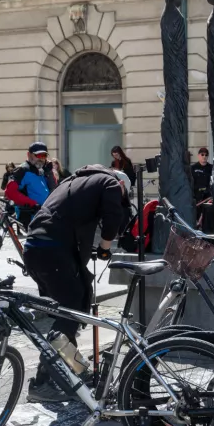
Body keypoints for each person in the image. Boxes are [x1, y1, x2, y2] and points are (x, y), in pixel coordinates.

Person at [23, 165, 130, 403]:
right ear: (122, 185)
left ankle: (73, 369)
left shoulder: (72, 182)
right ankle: (43, 382)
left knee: (76, 304)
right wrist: (104, 248)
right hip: (53, 250)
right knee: (70, 313)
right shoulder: (111, 183)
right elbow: (113, 218)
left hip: (36, 247)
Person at [4, 141, 59, 215]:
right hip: (30, 217)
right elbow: (10, 192)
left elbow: (53, 189)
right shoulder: (22, 170)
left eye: (44, 155)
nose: (41, 159)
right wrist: (32, 204)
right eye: (38, 155)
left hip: (45, 214)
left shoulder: (42, 170)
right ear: (29, 155)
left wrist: (49, 173)